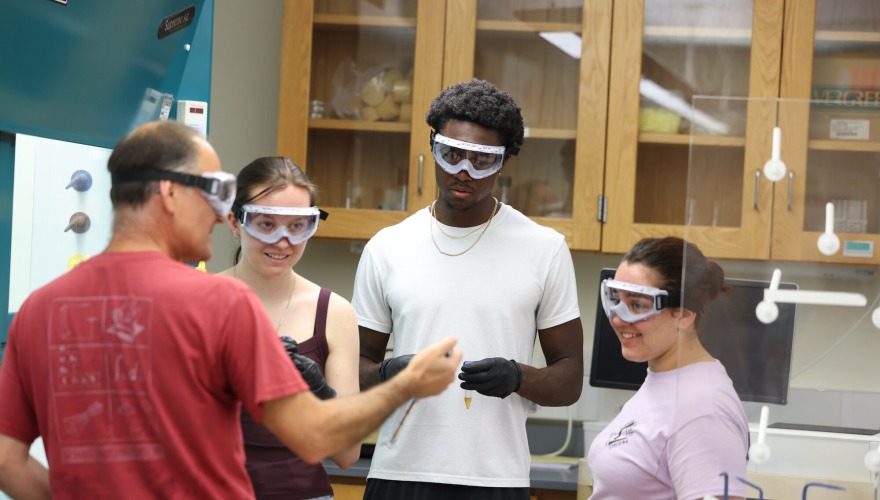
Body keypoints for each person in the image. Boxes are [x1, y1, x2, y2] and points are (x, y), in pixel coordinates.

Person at [0, 121, 462, 499]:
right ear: (169, 193)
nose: (223, 213)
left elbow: (6, 459)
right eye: (217, 191)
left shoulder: (39, 307)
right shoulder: (219, 304)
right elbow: (319, 437)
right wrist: (405, 384)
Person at [352, 78, 584, 500]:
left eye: (482, 160)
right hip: (400, 473)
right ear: (433, 148)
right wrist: (389, 374)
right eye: (452, 155)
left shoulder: (544, 249)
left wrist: (517, 377)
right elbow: (353, 368)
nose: (464, 171)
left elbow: (569, 380)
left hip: (495, 479)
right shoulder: (387, 247)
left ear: (504, 162)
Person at [219, 156, 360, 499]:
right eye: (266, 224)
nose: (283, 241)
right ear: (235, 223)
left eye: (298, 226)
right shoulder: (195, 304)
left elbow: (347, 454)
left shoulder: (335, 312)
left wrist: (320, 394)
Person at [587, 236, 749, 499]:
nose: (618, 318)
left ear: (684, 315)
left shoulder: (703, 409)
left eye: (637, 305)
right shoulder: (664, 380)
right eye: (616, 299)